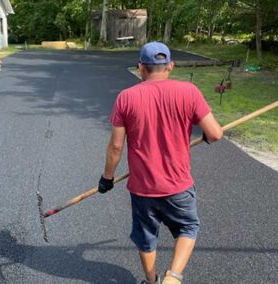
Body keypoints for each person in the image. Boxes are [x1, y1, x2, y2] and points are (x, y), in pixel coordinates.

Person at [98, 42, 223, 284]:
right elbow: (215, 134)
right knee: (188, 228)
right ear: (171, 66)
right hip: (178, 186)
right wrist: (207, 134)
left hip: (143, 189)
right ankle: (174, 276)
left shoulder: (126, 97)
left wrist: (107, 178)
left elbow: (116, 146)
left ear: (140, 68)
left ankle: (152, 280)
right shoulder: (189, 91)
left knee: (146, 238)